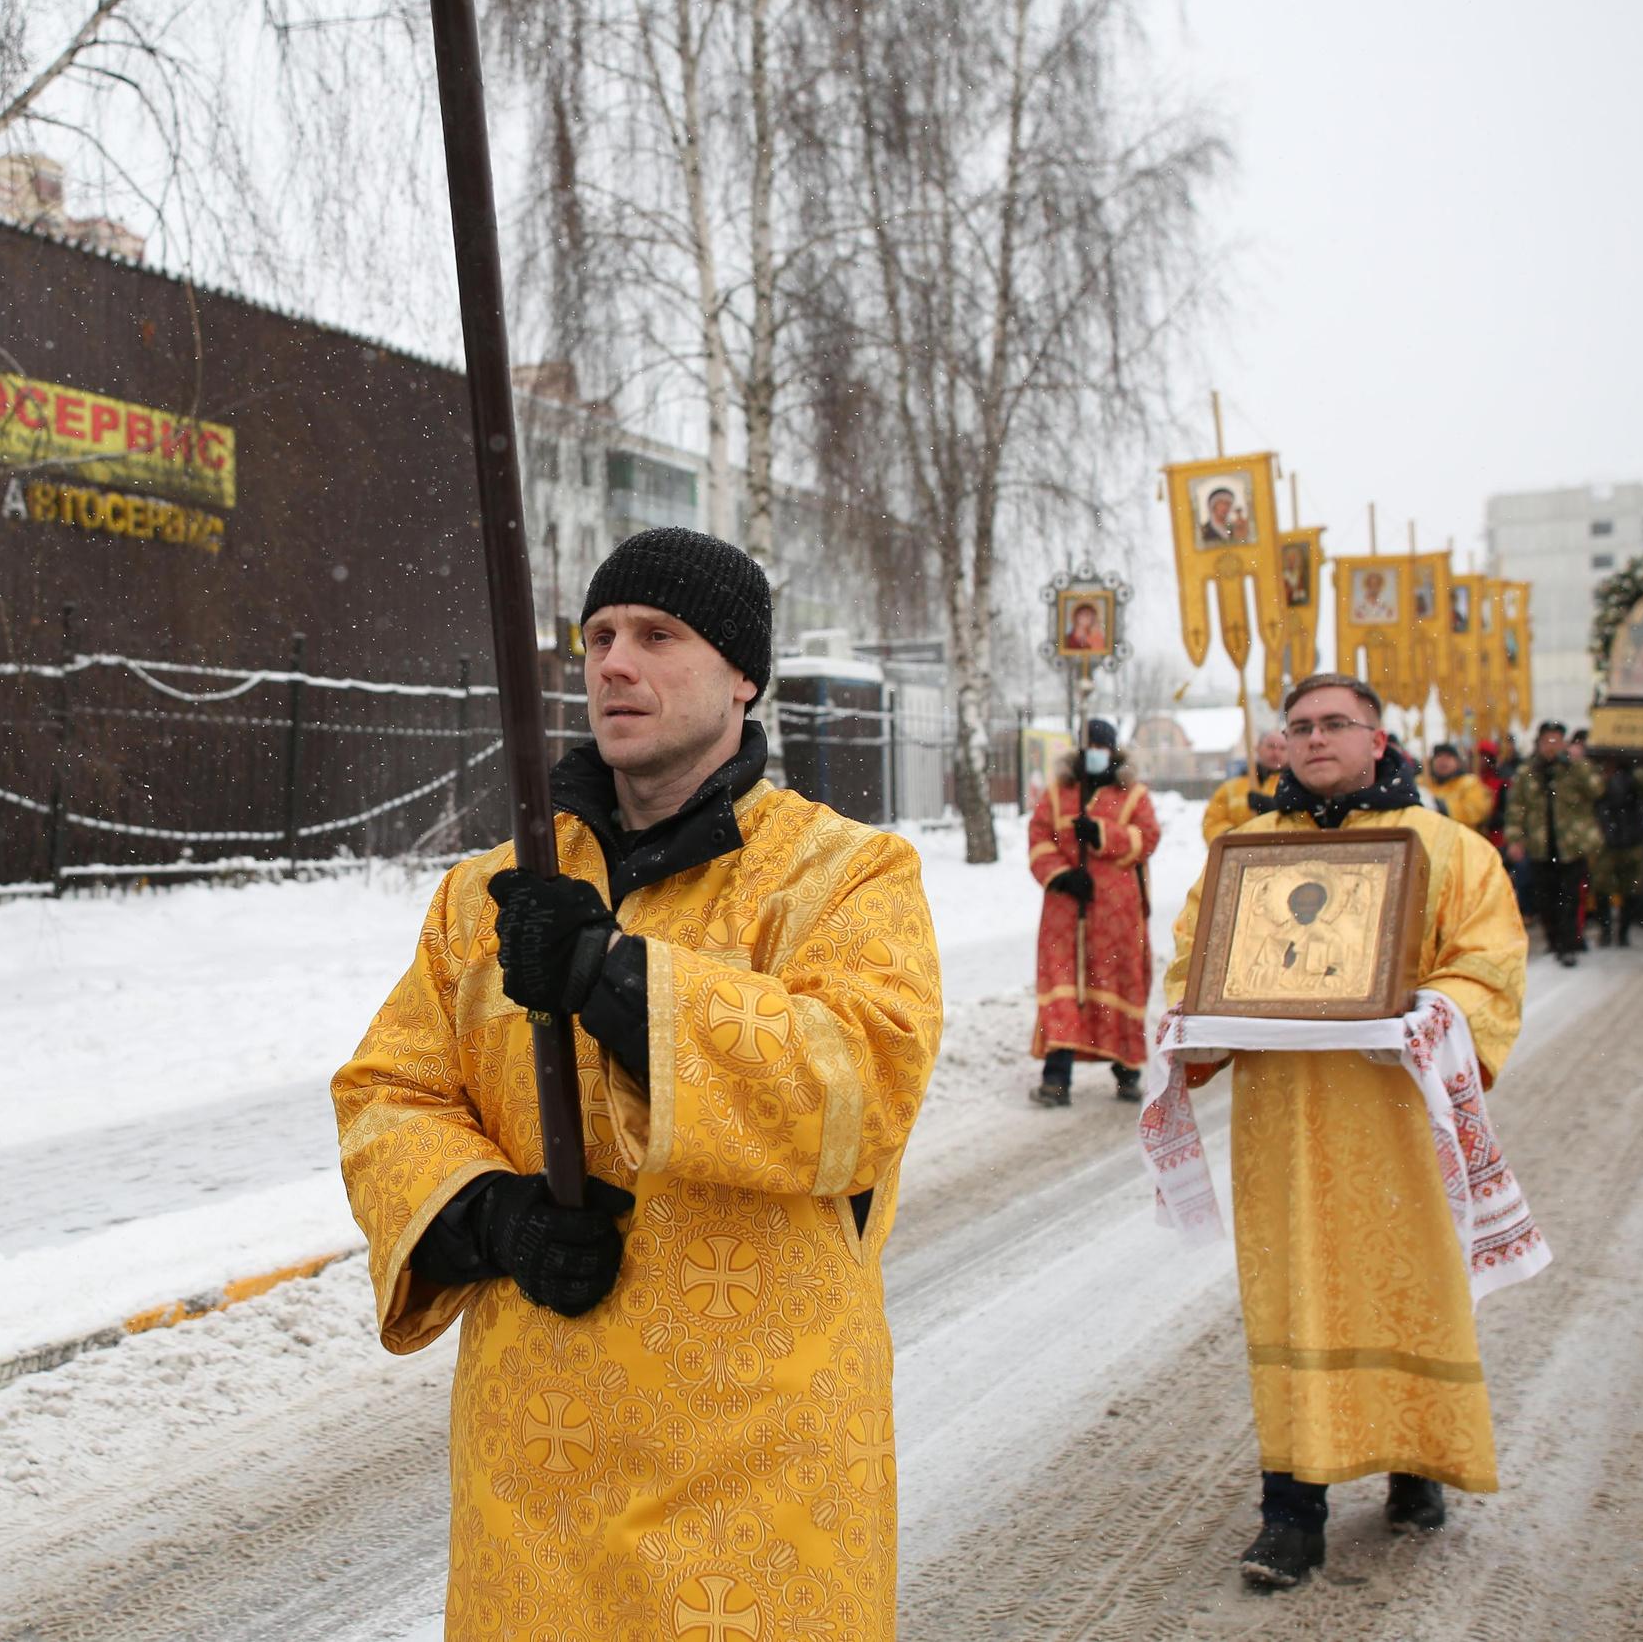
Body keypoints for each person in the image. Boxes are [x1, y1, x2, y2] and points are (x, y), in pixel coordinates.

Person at [331, 528, 944, 1641]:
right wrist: (491, 1216)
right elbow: (390, 1091)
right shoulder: (491, 892)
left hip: (757, 1463)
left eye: (658, 637)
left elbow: (860, 1083)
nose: (614, 663)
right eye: (599, 636)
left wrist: (618, 981)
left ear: (741, 675)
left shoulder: (842, 873)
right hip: (541, 1464)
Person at [1166, 672, 1526, 1589]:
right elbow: (1193, 963)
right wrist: (1187, 1018)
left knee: (1407, 1286)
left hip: (1399, 1126)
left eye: (1335, 723)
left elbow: (1487, 964)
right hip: (1283, 1129)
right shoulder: (1241, 853)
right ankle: (1292, 1511)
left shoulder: (1447, 849)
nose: (1315, 739)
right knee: (1293, 1302)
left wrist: (1435, 1011)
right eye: (1299, 726)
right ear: (1280, 745)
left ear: (1377, 737)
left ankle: (1415, 1463)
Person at [1028, 717, 1162, 1105]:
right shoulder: (1058, 793)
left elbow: (1148, 838)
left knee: (1118, 982)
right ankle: (1056, 1078)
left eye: (1102, 748)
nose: (1095, 755)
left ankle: (1127, 1072)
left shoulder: (1133, 795)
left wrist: (1103, 835)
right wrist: (1061, 875)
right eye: (1090, 748)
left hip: (1117, 915)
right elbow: (1038, 836)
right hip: (1066, 910)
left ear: (1113, 750)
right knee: (1063, 987)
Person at [1501, 722, 1604, 967]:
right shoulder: (1528, 772)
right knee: (1545, 897)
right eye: (1547, 741)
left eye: (1556, 741)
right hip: (1541, 845)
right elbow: (1516, 808)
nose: (1551, 746)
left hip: (1571, 844)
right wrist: (1515, 839)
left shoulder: (1574, 769)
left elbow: (1597, 790)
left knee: (1570, 896)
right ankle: (1554, 939)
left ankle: (1569, 944)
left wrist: (1579, 763)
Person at [1591, 751, 1643, 947]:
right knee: (1602, 886)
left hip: (1632, 838)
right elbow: (1592, 792)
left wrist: (1633, 767)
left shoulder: (1635, 776)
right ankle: (1606, 930)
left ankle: (1623, 931)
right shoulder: (1599, 775)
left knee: (1631, 888)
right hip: (1607, 839)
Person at [1202, 728, 1287, 842]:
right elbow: (1212, 823)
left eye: (1283, 748)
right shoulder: (1231, 787)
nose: (1276, 753)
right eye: (1271, 747)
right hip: (1238, 857)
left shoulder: (1293, 786)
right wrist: (1233, 837)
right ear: (1257, 748)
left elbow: (1302, 825)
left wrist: (1275, 810)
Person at [1424, 743, 1494, 829]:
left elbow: (1475, 812)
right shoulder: (1422, 783)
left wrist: (1443, 806)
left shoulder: (1469, 783)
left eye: (1448, 757)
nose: (1442, 761)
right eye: (1438, 756)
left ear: (1457, 762)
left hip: (1460, 838)